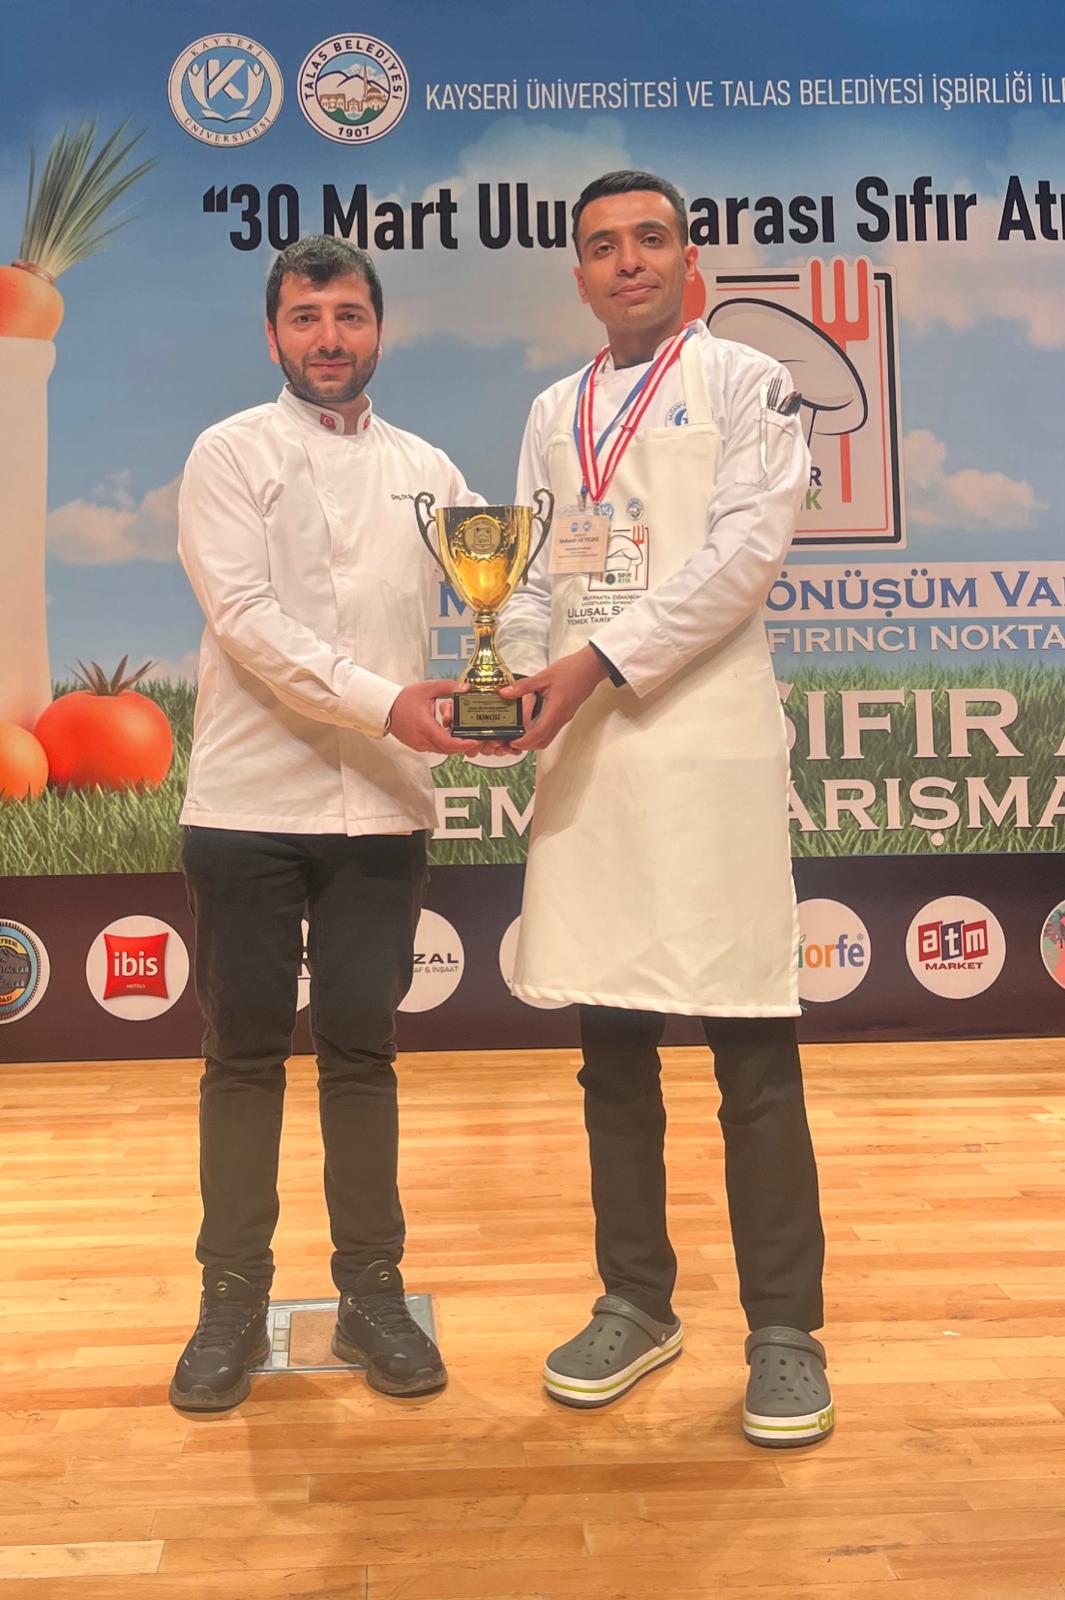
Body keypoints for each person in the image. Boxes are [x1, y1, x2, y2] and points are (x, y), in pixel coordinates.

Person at [494, 171, 833, 1448]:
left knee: (753, 1051)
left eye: (650, 239)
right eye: (602, 246)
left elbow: (743, 559)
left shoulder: (747, 383)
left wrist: (592, 663)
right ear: (578, 275)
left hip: (704, 748)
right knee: (613, 1051)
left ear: (691, 261)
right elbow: (531, 571)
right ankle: (635, 1300)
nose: (627, 260)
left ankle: (786, 1331)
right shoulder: (552, 409)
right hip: (589, 758)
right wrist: (518, 670)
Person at [170, 235, 483, 1412]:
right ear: (273, 337)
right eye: (306, 318)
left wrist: (532, 673)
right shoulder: (229, 453)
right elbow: (247, 621)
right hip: (247, 806)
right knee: (243, 1058)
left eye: (349, 315)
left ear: (378, 329)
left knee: (361, 1054)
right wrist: (388, 702)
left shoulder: (429, 469)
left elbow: (505, 591)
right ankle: (230, 1302)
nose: (330, 338)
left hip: (385, 811)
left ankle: (371, 1294)